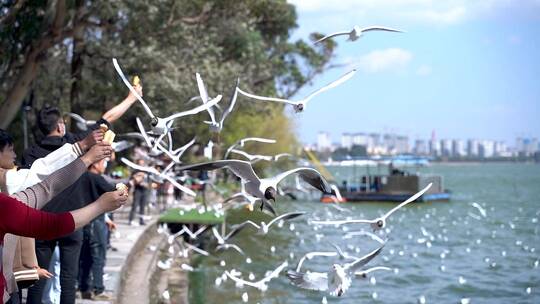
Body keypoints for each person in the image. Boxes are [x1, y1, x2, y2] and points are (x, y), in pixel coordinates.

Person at [25, 86, 141, 304]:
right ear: (60, 125)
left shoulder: (30, 153)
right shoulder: (74, 145)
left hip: (40, 224)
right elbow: (106, 119)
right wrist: (131, 98)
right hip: (71, 222)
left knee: (36, 279)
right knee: (69, 279)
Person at [0, 129, 111, 303]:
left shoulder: (26, 158)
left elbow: (43, 186)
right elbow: (45, 187)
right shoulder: (5, 196)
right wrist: (99, 206)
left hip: (11, 275)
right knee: (67, 279)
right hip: (7, 282)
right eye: (10, 149)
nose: (14, 154)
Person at [0, 184, 128, 301]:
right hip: (71, 227)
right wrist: (122, 188)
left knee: (38, 281)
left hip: (44, 226)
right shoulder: (81, 173)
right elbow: (114, 188)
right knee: (69, 279)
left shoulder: (48, 175)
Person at [78, 158, 116, 300]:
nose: (104, 166)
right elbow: (114, 193)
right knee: (98, 256)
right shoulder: (97, 179)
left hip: (82, 221)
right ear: (95, 164)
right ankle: (98, 289)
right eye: (103, 163)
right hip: (96, 221)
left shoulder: (79, 177)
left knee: (84, 256)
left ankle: (83, 287)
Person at [128, 159, 149, 226]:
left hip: (145, 190)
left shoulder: (146, 171)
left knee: (143, 206)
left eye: (142, 163)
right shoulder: (135, 171)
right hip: (138, 190)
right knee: (135, 205)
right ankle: (131, 220)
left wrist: (147, 184)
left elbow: (149, 180)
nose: (141, 165)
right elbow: (132, 180)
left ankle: (141, 220)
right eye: (140, 163)